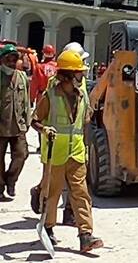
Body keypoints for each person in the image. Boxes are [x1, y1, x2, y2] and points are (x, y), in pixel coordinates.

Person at [31, 49, 103, 252]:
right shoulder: (50, 96)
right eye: (79, 73)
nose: (83, 76)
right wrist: (44, 129)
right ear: (69, 75)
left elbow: (85, 120)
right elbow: (34, 120)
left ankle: (85, 235)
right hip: (55, 153)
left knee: (81, 193)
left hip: (77, 153)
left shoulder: (82, 95)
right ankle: (48, 229)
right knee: (52, 194)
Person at [1, 43, 32, 201]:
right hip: (1, 126)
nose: (12, 63)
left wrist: (27, 122)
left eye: (14, 59)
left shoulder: (22, 77)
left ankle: (10, 180)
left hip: (18, 125)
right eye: (8, 59)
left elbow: (26, 101)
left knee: (21, 154)